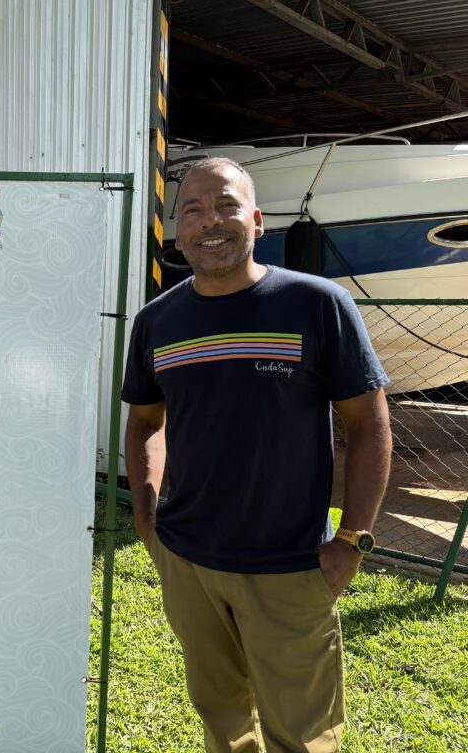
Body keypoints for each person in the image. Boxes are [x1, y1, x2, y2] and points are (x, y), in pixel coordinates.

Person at [122, 157, 391, 753]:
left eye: (225, 205)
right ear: (176, 230)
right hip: (188, 563)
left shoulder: (317, 305)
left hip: (292, 567)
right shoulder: (156, 322)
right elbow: (144, 420)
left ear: (258, 220)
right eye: (191, 210)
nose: (208, 222)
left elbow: (368, 424)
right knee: (222, 722)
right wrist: (146, 517)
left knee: (303, 736)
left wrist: (353, 541)